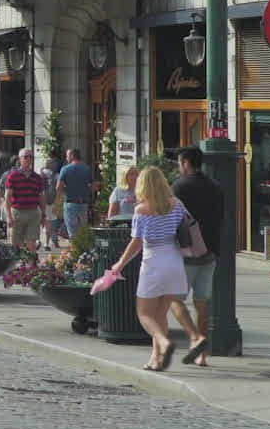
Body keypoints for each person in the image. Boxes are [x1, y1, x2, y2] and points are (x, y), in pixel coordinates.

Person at [104, 167, 207, 372]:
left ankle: (163, 342)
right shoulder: (177, 204)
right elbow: (187, 226)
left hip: (153, 262)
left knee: (144, 314)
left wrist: (120, 263)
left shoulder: (141, 210)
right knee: (160, 315)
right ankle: (156, 359)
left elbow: (137, 242)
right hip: (175, 261)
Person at [171, 146, 222, 367]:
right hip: (209, 252)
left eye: (180, 163)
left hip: (187, 253)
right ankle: (202, 355)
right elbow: (221, 218)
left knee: (174, 299)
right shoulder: (216, 186)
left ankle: (194, 337)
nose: (179, 167)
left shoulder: (179, 187)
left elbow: (173, 219)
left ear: (186, 163)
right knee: (202, 303)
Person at [0, 150, 47, 251]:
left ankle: (31, 260)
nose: (28, 159)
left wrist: (43, 214)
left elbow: (41, 197)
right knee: (16, 243)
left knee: (32, 242)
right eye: (26, 157)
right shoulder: (12, 176)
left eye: (31, 157)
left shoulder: (37, 178)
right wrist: (9, 216)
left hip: (33, 212)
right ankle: (19, 260)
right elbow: (8, 197)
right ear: (20, 159)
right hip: (17, 212)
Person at [55, 149, 97, 239]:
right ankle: (82, 247)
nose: (66, 158)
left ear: (72, 156)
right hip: (83, 203)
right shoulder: (87, 169)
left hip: (70, 203)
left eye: (67, 156)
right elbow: (93, 187)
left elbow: (58, 187)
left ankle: (74, 247)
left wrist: (67, 190)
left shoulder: (65, 169)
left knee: (72, 232)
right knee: (82, 232)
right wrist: (85, 191)